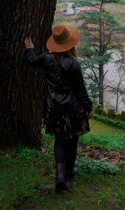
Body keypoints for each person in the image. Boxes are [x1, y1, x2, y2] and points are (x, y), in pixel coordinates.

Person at [24, 25, 93, 192]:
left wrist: (29, 50)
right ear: (70, 44)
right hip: (72, 110)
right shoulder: (73, 63)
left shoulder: (46, 58)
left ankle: (60, 176)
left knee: (59, 141)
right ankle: (69, 172)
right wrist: (88, 107)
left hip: (54, 109)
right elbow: (80, 90)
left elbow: (32, 61)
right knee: (72, 141)